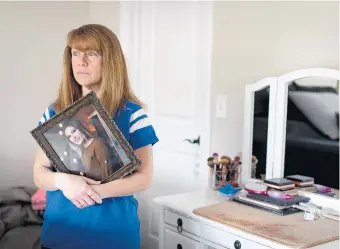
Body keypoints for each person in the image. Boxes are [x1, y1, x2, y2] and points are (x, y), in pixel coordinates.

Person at [33, 24, 159, 249]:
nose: (81, 62)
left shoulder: (132, 114)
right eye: (75, 53)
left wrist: (91, 191)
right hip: (59, 235)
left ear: (109, 61)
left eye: (92, 53)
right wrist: (63, 181)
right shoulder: (53, 113)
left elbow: (144, 178)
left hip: (113, 238)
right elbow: (39, 174)